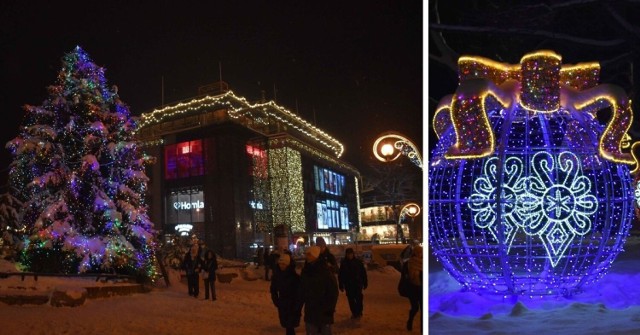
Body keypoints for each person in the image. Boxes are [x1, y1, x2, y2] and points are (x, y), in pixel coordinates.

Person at [300, 246, 339, 335]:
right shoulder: (306, 271)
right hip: (310, 311)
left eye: (309, 254)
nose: (307, 256)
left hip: (325, 312)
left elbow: (333, 292)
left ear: (315, 256)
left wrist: (329, 308)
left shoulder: (325, 271)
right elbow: (302, 290)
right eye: (306, 254)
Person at [270, 253, 303, 335]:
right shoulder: (277, 276)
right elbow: (273, 289)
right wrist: (276, 301)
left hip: (293, 304)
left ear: (288, 264)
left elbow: (299, 293)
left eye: (283, 264)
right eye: (280, 263)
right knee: (287, 325)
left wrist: (297, 305)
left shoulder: (294, 277)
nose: (281, 265)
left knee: (290, 326)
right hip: (283, 303)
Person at [338, 248, 368, 319]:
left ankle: (359, 312)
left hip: (357, 284)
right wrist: (341, 284)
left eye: (350, 254)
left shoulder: (358, 262)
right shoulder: (344, 263)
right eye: (348, 254)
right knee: (351, 300)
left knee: (359, 299)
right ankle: (354, 312)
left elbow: (363, 273)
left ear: (353, 254)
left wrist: (365, 282)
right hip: (348, 285)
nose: (349, 255)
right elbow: (341, 275)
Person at [405, 245, 423, 331]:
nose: (420, 254)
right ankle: (410, 321)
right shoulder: (409, 263)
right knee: (415, 307)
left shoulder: (424, 262)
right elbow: (405, 276)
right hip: (413, 288)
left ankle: (423, 329)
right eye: (418, 252)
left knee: (423, 310)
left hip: (423, 289)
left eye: (421, 252)